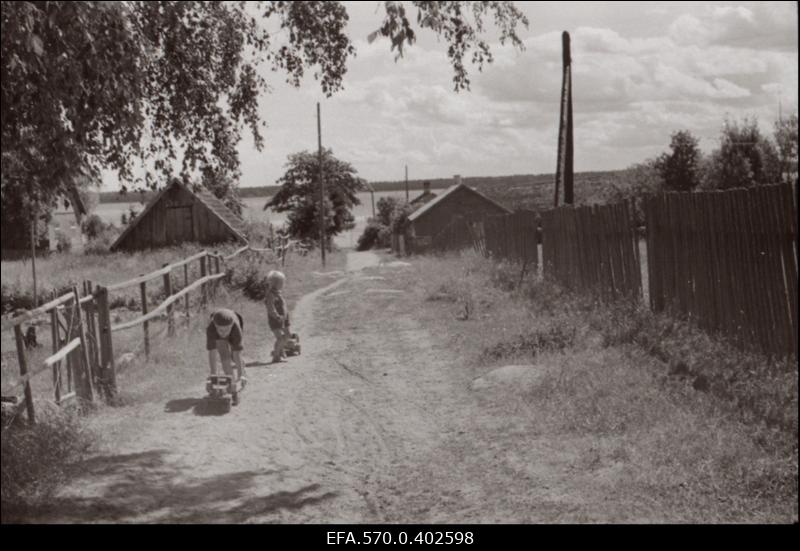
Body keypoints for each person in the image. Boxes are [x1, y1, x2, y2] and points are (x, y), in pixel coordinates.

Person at [206, 308, 246, 394]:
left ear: (231, 326)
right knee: (224, 356)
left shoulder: (236, 329)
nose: (224, 333)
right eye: (221, 330)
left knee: (234, 357)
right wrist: (213, 375)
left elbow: (237, 354)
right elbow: (212, 353)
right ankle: (232, 384)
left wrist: (241, 375)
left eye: (226, 330)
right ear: (216, 326)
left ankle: (242, 373)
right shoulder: (211, 329)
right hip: (217, 330)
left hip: (235, 323)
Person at [265, 270, 290, 363]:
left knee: (287, 335)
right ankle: (276, 356)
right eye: (282, 282)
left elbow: (282, 305)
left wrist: (286, 315)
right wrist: (276, 316)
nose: (283, 284)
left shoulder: (278, 292)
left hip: (284, 318)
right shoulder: (270, 295)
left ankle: (280, 350)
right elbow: (270, 308)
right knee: (280, 338)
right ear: (275, 284)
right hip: (275, 319)